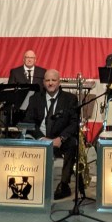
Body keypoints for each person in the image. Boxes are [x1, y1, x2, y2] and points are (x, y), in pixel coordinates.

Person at [24, 68, 79, 199]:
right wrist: (41, 138)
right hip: (40, 138)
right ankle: (32, 182)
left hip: (60, 139)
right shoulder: (35, 98)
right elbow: (29, 121)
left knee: (72, 143)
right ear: (43, 82)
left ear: (59, 82)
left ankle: (64, 184)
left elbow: (74, 123)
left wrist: (61, 138)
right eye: (47, 80)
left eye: (53, 80)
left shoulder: (70, 99)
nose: (50, 83)